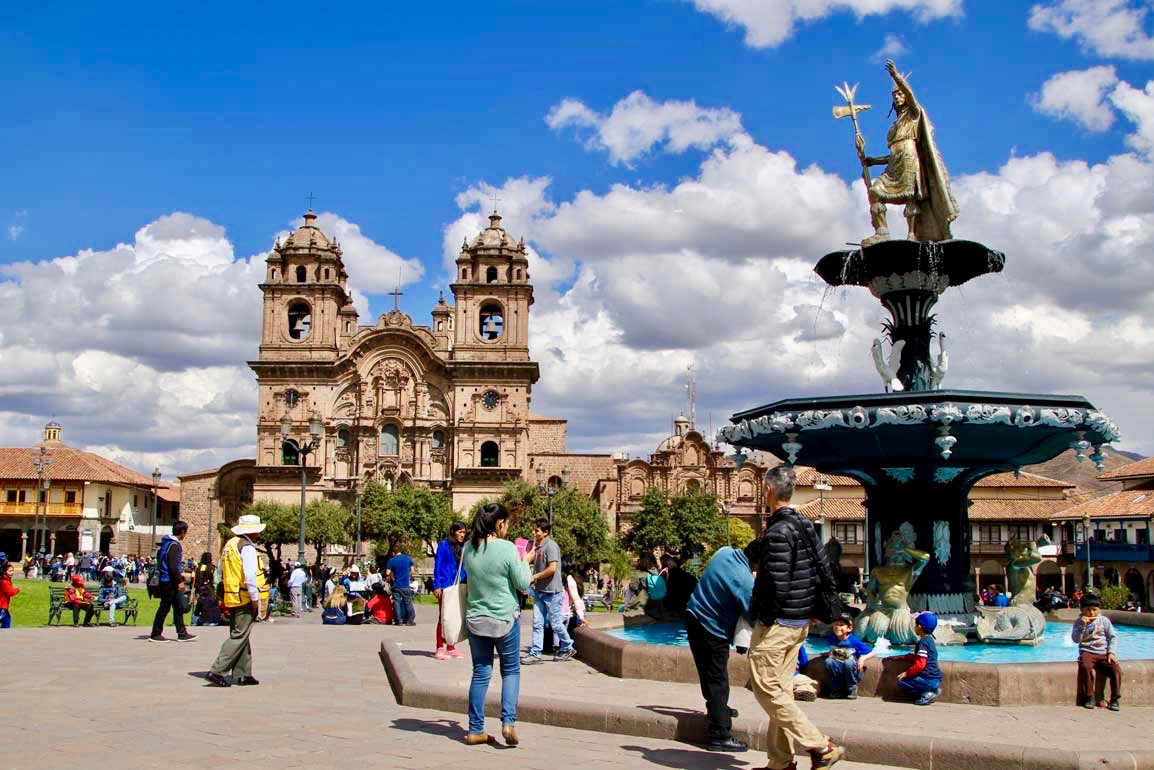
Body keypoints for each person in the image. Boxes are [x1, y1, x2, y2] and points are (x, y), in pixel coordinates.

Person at [746, 466, 844, 770]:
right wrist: (814, 611)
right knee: (782, 689)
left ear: (768, 492)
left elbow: (776, 583)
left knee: (767, 688)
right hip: (801, 621)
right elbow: (822, 569)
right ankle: (780, 763)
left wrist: (765, 618)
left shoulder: (778, 532)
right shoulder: (804, 524)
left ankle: (821, 745)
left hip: (779, 622)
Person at [857, 59, 958, 246]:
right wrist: (872, 161)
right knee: (874, 192)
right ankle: (882, 231)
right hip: (895, 162)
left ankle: (913, 234)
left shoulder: (914, 114)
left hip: (910, 160)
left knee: (910, 197)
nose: (897, 97)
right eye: (895, 95)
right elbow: (894, 154)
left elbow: (911, 94)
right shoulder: (895, 125)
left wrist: (896, 76)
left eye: (900, 94)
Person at [461, 503, 533, 746]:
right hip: (504, 619)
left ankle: (475, 729)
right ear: (500, 523)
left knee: (480, 673)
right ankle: (508, 722)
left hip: (476, 619)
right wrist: (524, 559)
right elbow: (523, 582)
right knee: (510, 671)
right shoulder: (508, 548)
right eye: (507, 524)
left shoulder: (468, 549)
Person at [684, 542, 757, 753]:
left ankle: (718, 710)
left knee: (708, 674)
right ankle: (720, 733)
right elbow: (753, 615)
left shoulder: (724, 552)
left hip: (693, 615)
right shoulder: (744, 581)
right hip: (713, 629)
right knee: (718, 679)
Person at [206, 514, 269, 687]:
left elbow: (220, 570)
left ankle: (243, 673)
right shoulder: (246, 547)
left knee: (242, 634)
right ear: (254, 531)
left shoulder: (230, 544)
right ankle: (217, 670)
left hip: (231, 595)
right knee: (239, 635)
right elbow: (249, 576)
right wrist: (255, 599)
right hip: (244, 596)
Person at [521, 519, 575, 665]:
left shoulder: (551, 546)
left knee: (556, 623)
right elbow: (527, 561)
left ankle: (568, 645)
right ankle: (535, 653)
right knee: (537, 623)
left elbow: (552, 568)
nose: (533, 532)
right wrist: (530, 551)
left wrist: (535, 577)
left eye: (536, 530)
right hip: (540, 591)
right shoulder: (537, 547)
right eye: (533, 529)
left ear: (545, 532)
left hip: (552, 592)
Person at [149, 521, 196, 642]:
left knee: (178, 607)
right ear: (182, 532)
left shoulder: (166, 543)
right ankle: (155, 633)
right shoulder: (174, 545)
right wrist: (179, 581)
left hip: (167, 579)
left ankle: (182, 633)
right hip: (169, 580)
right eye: (185, 532)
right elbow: (173, 565)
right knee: (165, 607)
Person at [1072, 593, 1121, 711]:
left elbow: (1112, 637)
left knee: (1115, 669)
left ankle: (1115, 698)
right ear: (1082, 610)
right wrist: (1082, 627)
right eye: (1088, 610)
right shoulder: (1078, 622)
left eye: (1095, 610)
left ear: (1099, 609)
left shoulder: (1104, 621)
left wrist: (1111, 652)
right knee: (1085, 667)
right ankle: (1089, 696)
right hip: (1087, 651)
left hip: (1103, 653)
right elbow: (1075, 639)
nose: (1092, 613)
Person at [432, 521, 468, 660]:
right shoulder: (444, 545)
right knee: (443, 617)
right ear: (453, 532)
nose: (462, 535)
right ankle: (440, 647)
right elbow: (439, 564)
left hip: (459, 583)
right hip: (445, 584)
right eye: (460, 532)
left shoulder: (464, 546)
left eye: (464, 532)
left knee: (455, 616)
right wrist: (437, 585)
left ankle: (451, 647)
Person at [819, 614, 876, 699]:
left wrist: (862, 658)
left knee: (848, 663)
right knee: (828, 662)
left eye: (841, 625)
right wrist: (828, 653)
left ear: (849, 628)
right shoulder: (832, 638)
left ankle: (852, 688)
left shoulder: (853, 641)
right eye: (836, 624)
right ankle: (836, 689)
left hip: (850, 667)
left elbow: (873, 652)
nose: (838, 627)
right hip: (837, 665)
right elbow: (836, 650)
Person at [895, 612, 942, 705]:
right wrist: (903, 657)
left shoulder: (923, 643)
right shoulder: (930, 640)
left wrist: (906, 673)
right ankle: (933, 691)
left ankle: (926, 694)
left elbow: (921, 664)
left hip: (928, 679)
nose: (914, 627)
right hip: (935, 679)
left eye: (915, 624)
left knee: (901, 681)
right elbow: (919, 657)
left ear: (920, 627)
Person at [386, 547, 415, 626]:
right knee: (408, 602)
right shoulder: (408, 559)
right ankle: (410, 620)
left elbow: (387, 573)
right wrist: (406, 575)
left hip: (396, 585)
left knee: (397, 602)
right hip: (405, 585)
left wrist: (393, 573)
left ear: (393, 553)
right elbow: (412, 571)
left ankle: (399, 621)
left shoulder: (391, 561)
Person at [560, 563, 587, 637]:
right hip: (576, 612)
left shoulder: (569, 579)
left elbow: (576, 599)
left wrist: (581, 617)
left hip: (575, 613)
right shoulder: (577, 578)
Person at [0, 560, 19, 629]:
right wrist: (17, 589)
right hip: (1, 606)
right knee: (6, 621)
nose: (12, 573)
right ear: (5, 572)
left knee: (7, 621)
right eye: (10, 571)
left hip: (3, 606)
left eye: (13, 571)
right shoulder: (4, 581)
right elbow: (10, 592)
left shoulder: (6, 579)